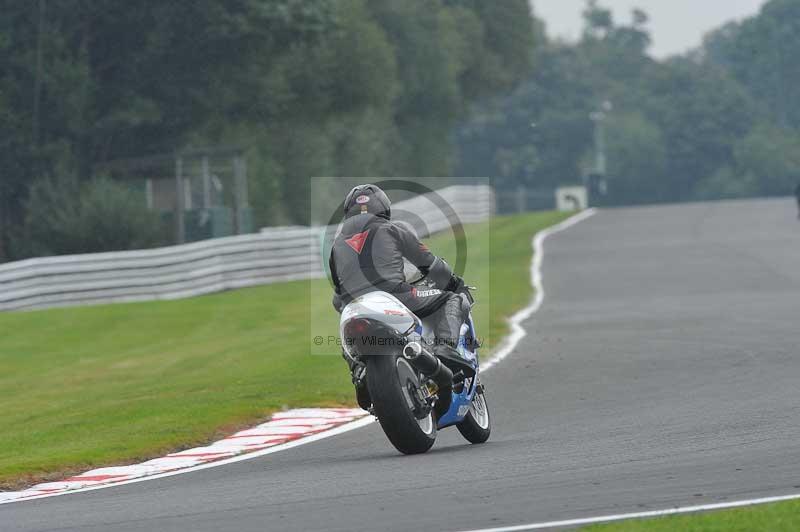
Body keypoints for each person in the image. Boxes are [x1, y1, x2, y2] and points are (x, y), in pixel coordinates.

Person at [329, 184, 471, 408]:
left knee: (346, 328)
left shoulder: (336, 245)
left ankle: (358, 372)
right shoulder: (392, 229)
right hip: (396, 295)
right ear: (383, 207)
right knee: (450, 299)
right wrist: (454, 283)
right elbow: (431, 265)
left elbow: (337, 297)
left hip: (354, 306)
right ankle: (446, 348)